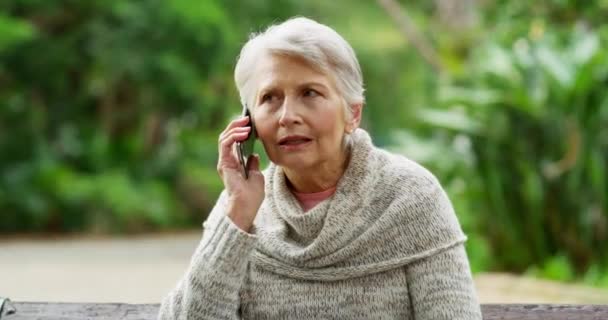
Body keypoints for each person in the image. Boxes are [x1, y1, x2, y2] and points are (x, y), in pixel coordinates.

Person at [158, 16, 483, 319]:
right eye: (270, 98)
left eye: (309, 93)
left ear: (352, 114)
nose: (287, 116)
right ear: (249, 122)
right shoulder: (240, 209)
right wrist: (238, 214)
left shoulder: (413, 198)